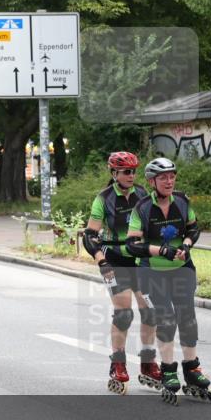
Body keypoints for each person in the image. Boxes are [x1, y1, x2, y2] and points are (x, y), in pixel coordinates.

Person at [125, 157, 211, 403]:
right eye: (163, 177)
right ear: (152, 181)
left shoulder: (182, 202)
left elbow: (194, 228)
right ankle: (168, 370)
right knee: (166, 319)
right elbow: (132, 245)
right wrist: (161, 250)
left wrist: (186, 244)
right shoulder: (142, 208)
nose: (169, 181)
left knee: (187, 318)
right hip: (151, 272)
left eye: (172, 176)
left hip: (182, 268)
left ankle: (192, 369)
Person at [83, 152, 160, 394]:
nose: (131, 175)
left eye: (134, 171)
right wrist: (101, 261)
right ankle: (117, 365)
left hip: (139, 259)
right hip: (114, 259)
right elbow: (89, 235)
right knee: (124, 312)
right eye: (126, 172)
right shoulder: (103, 199)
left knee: (150, 312)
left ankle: (148, 364)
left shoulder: (142, 195)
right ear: (114, 174)